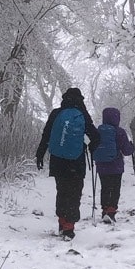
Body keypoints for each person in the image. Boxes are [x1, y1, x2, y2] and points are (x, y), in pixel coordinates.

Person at [36, 87, 99, 240]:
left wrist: (40, 154)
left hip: (58, 161)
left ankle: (62, 222)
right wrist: (90, 147)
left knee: (62, 191)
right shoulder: (83, 114)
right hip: (76, 162)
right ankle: (69, 227)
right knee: (74, 193)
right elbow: (95, 136)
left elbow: (46, 135)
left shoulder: (56, 113)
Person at [92, 106, 134, 224]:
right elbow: (126, 151)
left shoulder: (98, 131)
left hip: (102, 166)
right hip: (116, 166)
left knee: (105, 188)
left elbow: (92, 146)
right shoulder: (119, 132)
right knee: (115, 189)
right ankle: (111, 211)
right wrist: (132, 147)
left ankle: (104, 210)